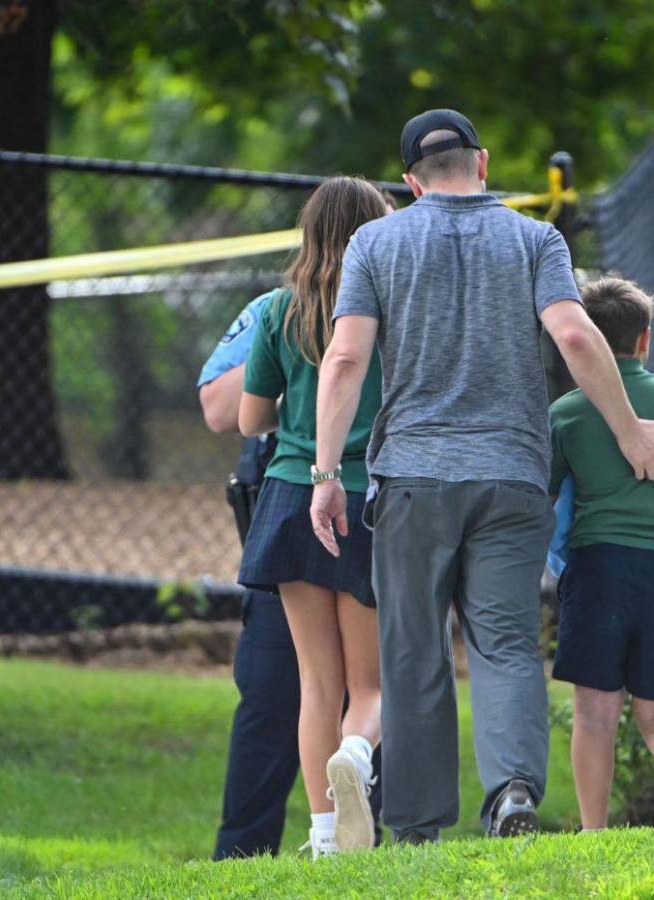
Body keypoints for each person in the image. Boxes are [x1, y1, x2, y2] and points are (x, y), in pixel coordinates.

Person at [310, 109, 654, 843]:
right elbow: (575, 334)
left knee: (414, 648)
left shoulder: (374, 243)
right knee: (505, 642)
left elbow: (345, 358)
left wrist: (325, 472)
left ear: (412, 182)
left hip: (412, 476)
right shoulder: (536, 239)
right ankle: (512, 792)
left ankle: (417, 823)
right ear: (482, 163)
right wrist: (629, 429)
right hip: (512, 476)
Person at [238, 176, 389, 857]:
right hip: (367, 498)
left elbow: (250, 419)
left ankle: (324, 836)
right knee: (370, 685)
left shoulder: (280, 310)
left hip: (289, 497)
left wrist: (297, 408)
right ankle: (356, 755)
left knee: (316, 684)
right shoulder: (392, 307)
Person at [549, 276, 654, 831]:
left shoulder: (568, 412)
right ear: (645, 339)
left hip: (599, 567)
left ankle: (594, 830)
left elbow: (551, 493)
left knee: (596, 714)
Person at [198, 294, 300, 860]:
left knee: (370, 698)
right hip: (284, 528)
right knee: (269, 694)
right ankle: (240, 864)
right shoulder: (277, 310)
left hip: (374, 516)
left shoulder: (399, 293)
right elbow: (218, 409)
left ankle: (371, 856)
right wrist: (291, 343)